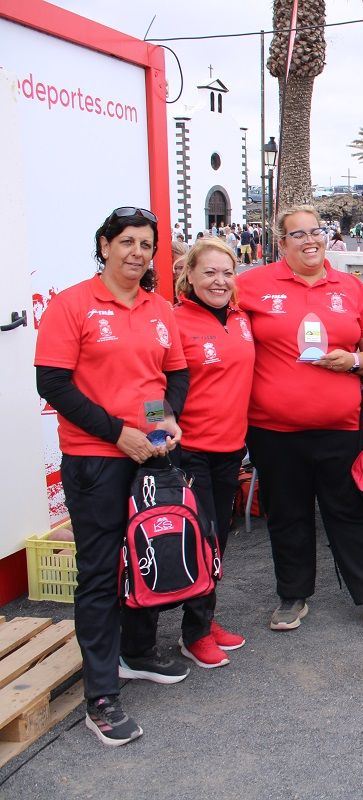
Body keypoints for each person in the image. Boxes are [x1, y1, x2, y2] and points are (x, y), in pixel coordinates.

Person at [35, 206, 189, 746]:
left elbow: (170, 374)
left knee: (153, 554)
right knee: (100, 573)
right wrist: (116, 433)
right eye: (126, 242)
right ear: (104, 245)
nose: (137, 253)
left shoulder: (157, 307)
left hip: (149, 451)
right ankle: (100, 695)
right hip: (95, 458)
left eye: (146, 244)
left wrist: (162, 420)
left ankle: (137, 653)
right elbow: (53, 383)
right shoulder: (72, 303)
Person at [238, 204, 363, 639]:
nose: (311, 240)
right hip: (273, 429)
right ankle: (293, 594)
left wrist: (353, 361)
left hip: (343, 427)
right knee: (286, 514)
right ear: (281, 242)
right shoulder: (250, 285)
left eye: (317, 231)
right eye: (298, 234)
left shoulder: (351, 288)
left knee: (349, 512)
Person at [172, 237, 254, 668]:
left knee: (217, 539)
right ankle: (195, 632)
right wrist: (155, 435)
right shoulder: (174, 322)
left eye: (227, 272)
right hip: (190, 452)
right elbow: (153, 389)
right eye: (209, 272)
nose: (219, 281)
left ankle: (204, 619)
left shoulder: (241, 318)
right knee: (198, 542)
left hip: (230, 450)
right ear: (189, 276)